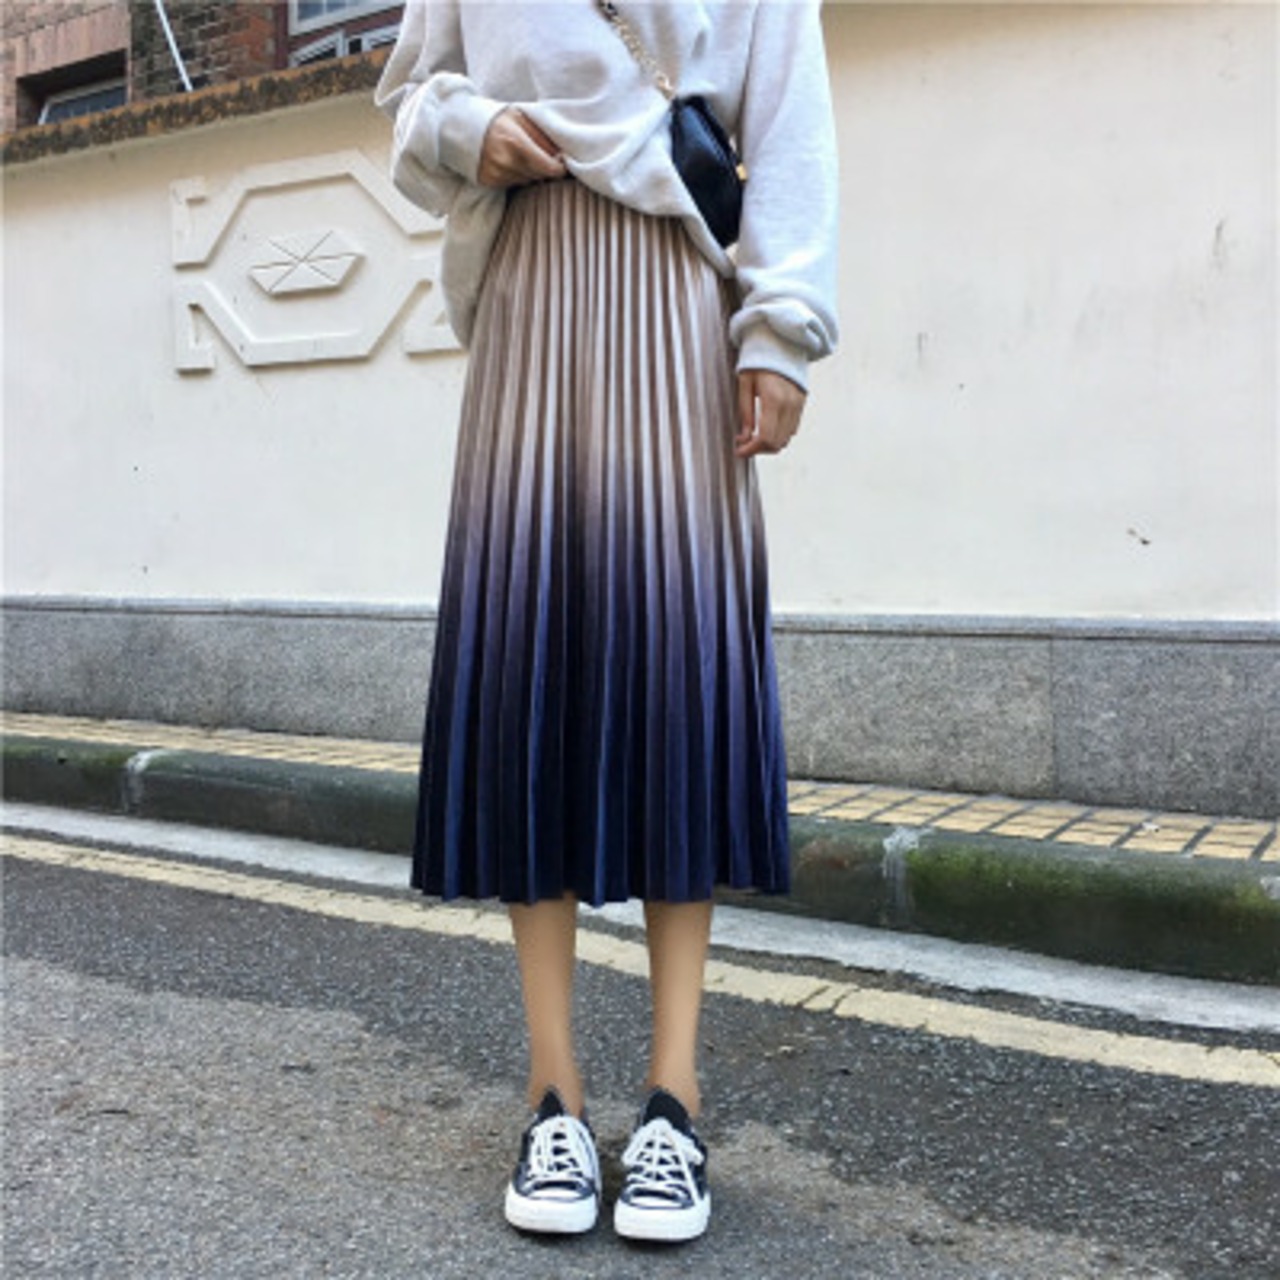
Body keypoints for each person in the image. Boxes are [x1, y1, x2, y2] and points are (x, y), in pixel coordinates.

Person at [376, 0, 838, 1244]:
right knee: (534, 670)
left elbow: (788, 118)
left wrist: (780, 326)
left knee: (675, 677)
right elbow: (409, 101)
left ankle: (674, 1099)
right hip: (529, 295)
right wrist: (469, 129)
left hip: (679, 294)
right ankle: (553, 1095)